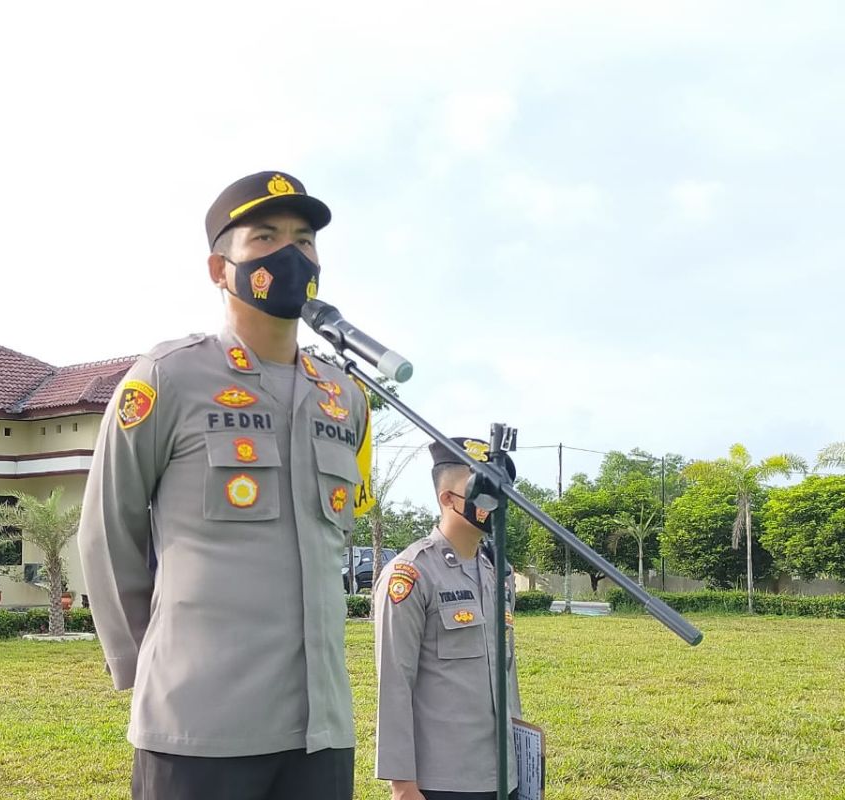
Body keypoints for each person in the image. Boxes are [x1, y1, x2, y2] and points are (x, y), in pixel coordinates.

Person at [78, 170, 374, 800]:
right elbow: (108, 529)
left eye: (303, 239)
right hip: (200, 723)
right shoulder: (168, 378)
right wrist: (149, 669)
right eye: (264, 237)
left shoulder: (344, 396)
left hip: (320, 732)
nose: (290, 254)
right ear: (220, 268)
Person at [374, 438, 523, 800]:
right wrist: (402, 784)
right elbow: (394, 682)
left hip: (502, 775)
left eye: (500, 488)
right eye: (481, 488)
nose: (494, 501)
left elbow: (507, 677)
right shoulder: (411, 573)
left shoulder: (495, 573)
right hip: (443, 781)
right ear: (447, 499)